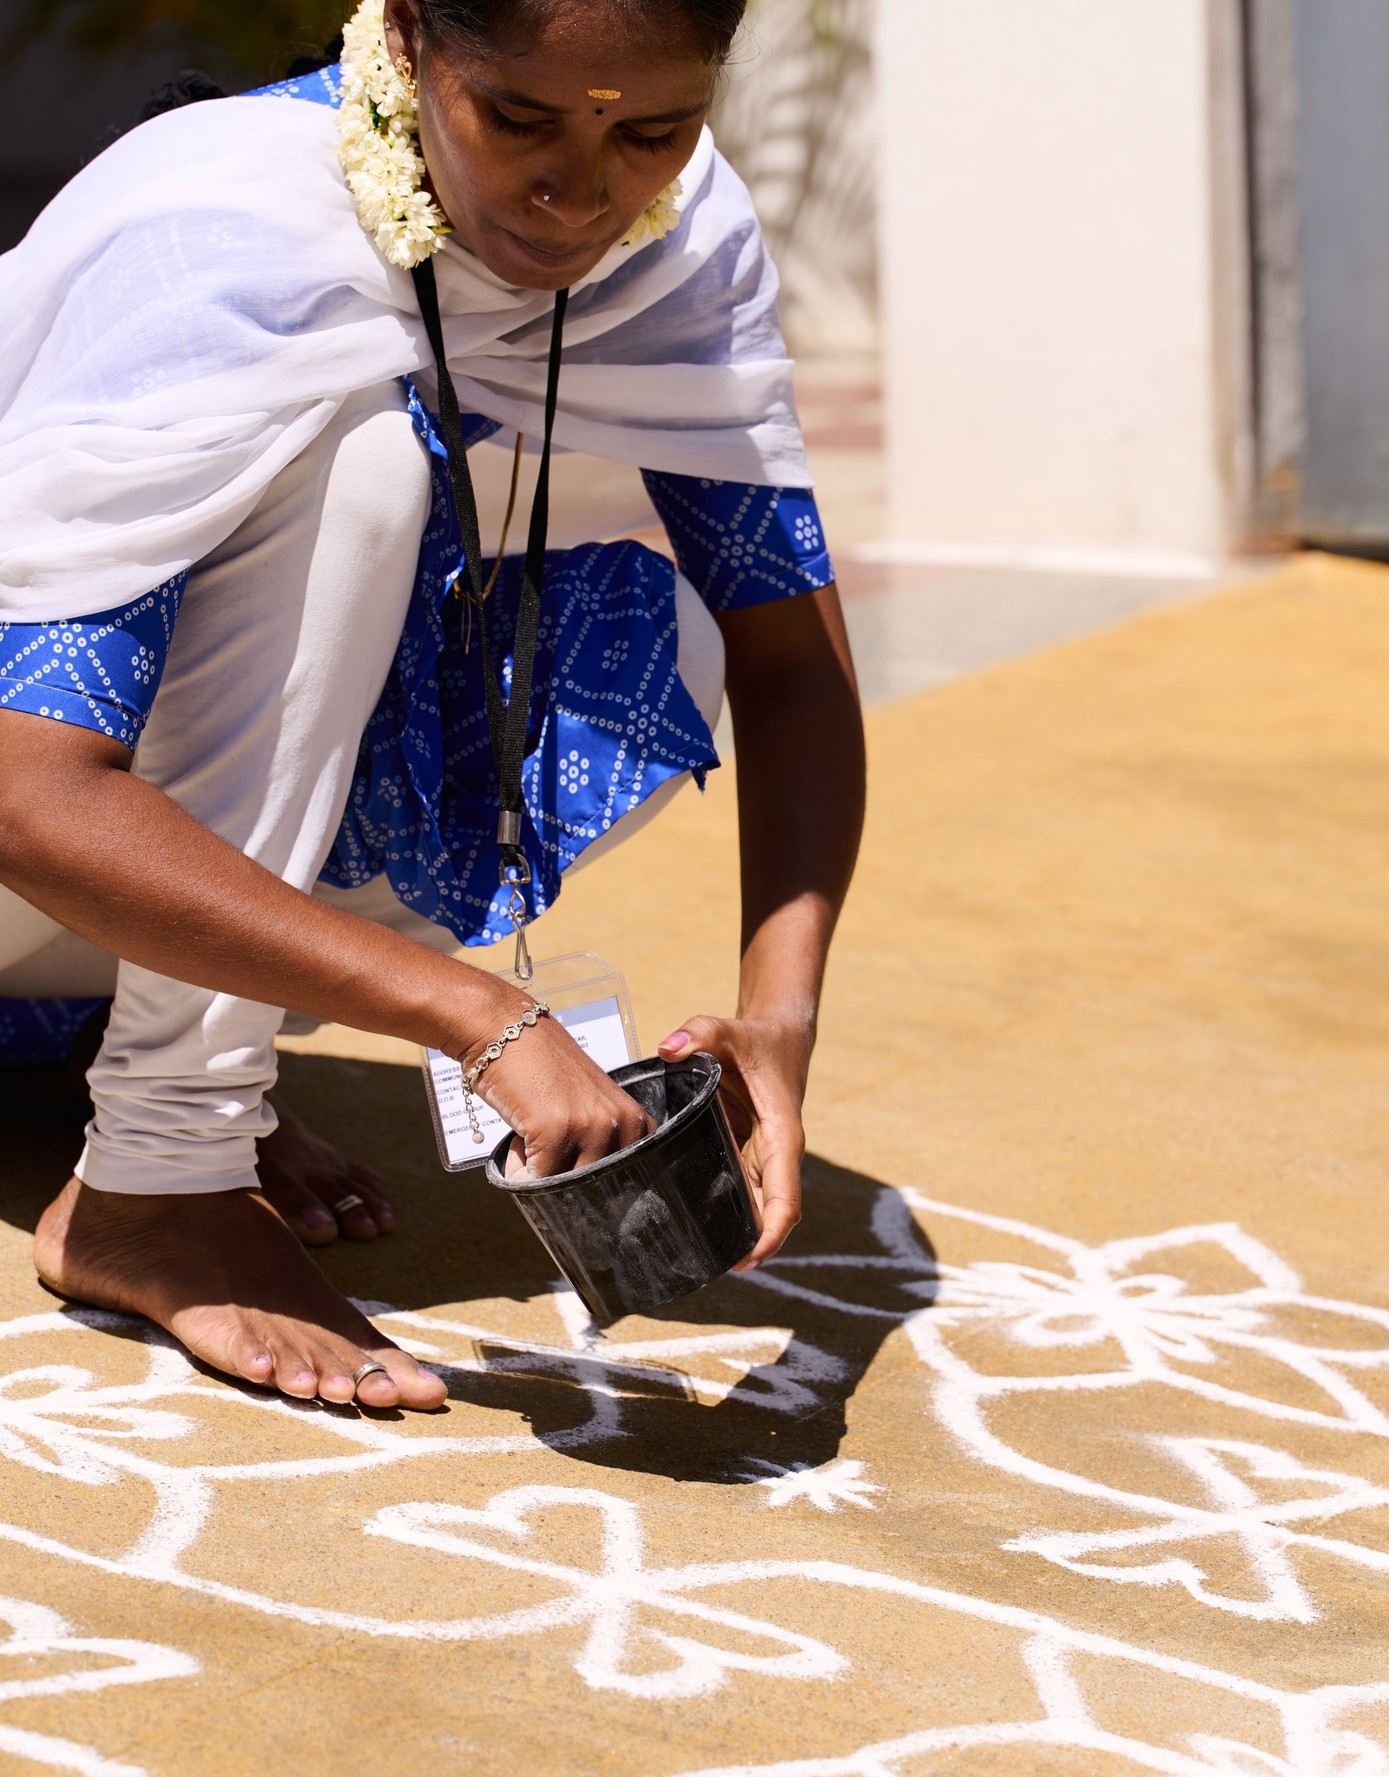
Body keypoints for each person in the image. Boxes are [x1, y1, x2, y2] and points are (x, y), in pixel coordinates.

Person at [0, 0, 865, 1411]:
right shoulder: (215, 228)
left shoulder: (680, 232)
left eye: (651, 129)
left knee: (698, 629)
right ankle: (159, 1170)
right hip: (26, 837)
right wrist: (478, 1017)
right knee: (366, 472)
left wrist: (782, 1014)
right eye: (519, 119)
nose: (582, 191)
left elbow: (793, 664)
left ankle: (167, 1046)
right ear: (404, 40)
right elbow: (26, 792)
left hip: (67, 923)